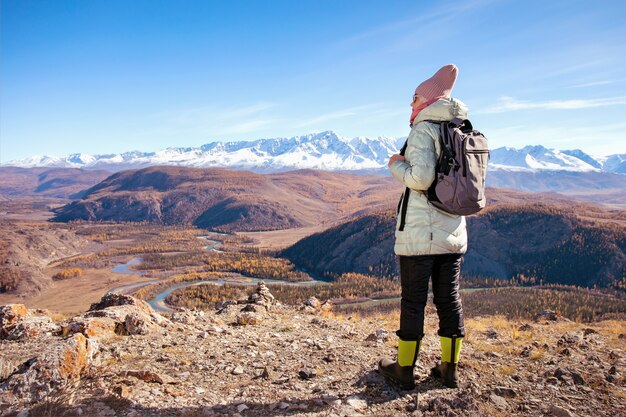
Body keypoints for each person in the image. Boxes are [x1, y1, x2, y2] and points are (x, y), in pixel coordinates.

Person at [378, 64, 468, 390]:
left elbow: (421, 178)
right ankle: (450, 370)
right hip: (453, 232)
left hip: (420, 235)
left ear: (426, 101)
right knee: (449, 299)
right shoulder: (458, 128)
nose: (411, 104)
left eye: (414, 97)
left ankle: (404, 370)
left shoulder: (424, 129)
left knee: (413, 302)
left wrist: (396, 165)